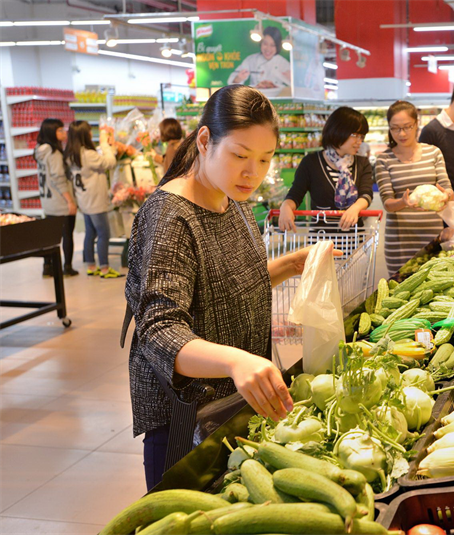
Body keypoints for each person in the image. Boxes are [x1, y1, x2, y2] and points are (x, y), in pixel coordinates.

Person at [125, 85, 312, 490]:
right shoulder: (170, 217)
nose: (253, 172)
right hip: (185, 420)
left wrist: (289, 265)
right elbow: (160, 331)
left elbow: (225, 280)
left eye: (265, 159)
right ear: (206, 140)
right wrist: (235, 361)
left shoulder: (233, 197)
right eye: (240, 156)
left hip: (230, 409)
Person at [375, 101, 454, 274]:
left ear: (417, 124)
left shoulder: (433, 153)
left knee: (433, 288)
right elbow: (387, 203)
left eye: (407, 127)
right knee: (400, 293)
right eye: (395, 128)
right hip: (400, 241)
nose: (401, 133)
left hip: (432, 238)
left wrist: (446, 196)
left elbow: (447, 188)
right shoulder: (384, 160)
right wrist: (403, 202)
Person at [279, 107, 373, 232]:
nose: (359, 141)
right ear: (338, 130)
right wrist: (285, 207)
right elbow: (296, 194)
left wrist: (355, 208)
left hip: (354, 239)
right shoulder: (311, 162)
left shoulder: (362, 163)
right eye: (355, 135)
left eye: (362, 136)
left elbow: (366, 194)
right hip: (321, 239)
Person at [64, 121, 122, 278]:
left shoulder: (71, 154)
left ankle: (91, 265)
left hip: (84, 200)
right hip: (96, 201)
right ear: (85, 135)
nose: (91, 134)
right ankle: (104, 268)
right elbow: (110, 162)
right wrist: (104, 144)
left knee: (90, 232)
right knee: (104, 233)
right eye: (89, 132)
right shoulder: (88, 155)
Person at [35, 118, 78, 277]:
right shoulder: (53, 153)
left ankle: (48, 267)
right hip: (60, 201)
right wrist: (70, 201)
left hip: (47, 200)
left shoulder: (40, 150)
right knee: (67, 235)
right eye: (59, 130)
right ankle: (67, 267)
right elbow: (58, 178)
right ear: (51, 133)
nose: (63, 132)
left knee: (50, 237)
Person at [227, 26, 291, 95]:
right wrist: (238, 78)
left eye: (273, 45)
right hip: (255, 97)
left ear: (278, 46)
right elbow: (231, 84)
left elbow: (296, 86)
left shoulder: (282, 62)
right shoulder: (251, 60)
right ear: (261, 43)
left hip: (276, 97)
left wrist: (291, 78)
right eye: (265, 44)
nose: (268, 49)